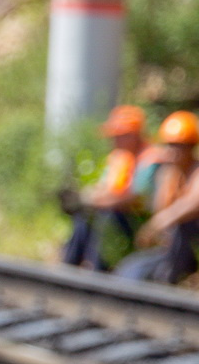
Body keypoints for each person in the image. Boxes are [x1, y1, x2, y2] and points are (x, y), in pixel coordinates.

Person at [121, 111, 199, 286]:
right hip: (175, 250)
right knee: (131, 269)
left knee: (186, 225)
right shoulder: (170, 176)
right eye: (170, 145)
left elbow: (194, 204)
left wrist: (160, 221)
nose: (172, 152)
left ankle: (169, 281)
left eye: (179, 146)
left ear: (192, 147)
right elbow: (160, 209)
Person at [57, 104, 146, 271]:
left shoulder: (149, 159)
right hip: (112, 213)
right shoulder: (118, 157)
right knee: (84, 215)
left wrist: (97, 202)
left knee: (106, 216)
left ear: (132, 135)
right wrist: (85, 197)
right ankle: (69, 265)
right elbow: (104, 187)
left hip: (134, 221)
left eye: (118, 136)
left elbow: (136, 196)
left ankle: (99, 270)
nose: (113, 140)